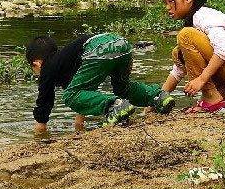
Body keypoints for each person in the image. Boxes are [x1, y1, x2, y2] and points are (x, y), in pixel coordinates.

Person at [25, 32, 175, 133]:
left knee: (69, 97)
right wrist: (79, 127)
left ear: (37, 64)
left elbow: (44, 105)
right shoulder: (66, 59)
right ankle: (157, 97)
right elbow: (84, 94)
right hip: (121, 44)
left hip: (99, 48)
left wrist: (39, 134)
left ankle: (113, 106)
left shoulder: (47, 69)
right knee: (123, 87)